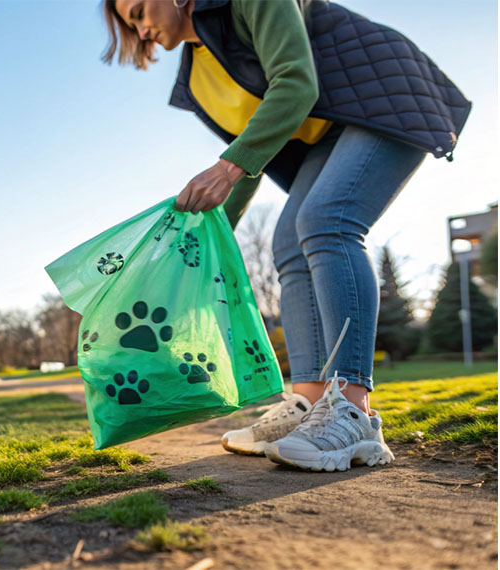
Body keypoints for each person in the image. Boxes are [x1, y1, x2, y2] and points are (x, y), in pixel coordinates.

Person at [101, 0, 469, 471]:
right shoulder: (199, 73)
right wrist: (198, 252)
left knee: (325, 221)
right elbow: (252, 151)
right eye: (131, 23)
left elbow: (294, 85)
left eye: (137, 11)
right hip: (330, 131)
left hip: (384, 98)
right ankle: (309, 404)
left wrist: (227, 166)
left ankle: (353, 409)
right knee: (288, 244)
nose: (141, 28)